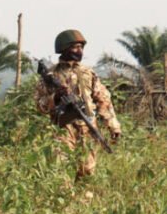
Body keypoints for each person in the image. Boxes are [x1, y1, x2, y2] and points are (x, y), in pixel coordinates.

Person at [35, 29, 121, 178]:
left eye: (81, 47)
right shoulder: (51, 74)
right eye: (75, 47)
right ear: (64, 48)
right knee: (61, 171)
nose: (79, 50)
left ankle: (84, 201)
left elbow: (103, 100)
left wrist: (113, 125)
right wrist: (55, 98)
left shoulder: (88, 73)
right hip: (63, 129)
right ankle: (63, 200)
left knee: (87, 171)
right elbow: (39, 104)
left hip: (87, 127)